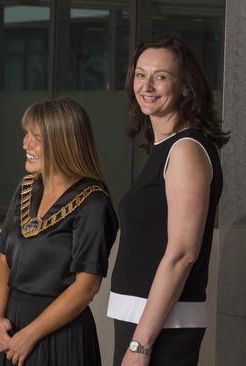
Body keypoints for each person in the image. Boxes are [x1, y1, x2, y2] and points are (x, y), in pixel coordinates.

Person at [107, 35, 229, 366]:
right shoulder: (164, 147)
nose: (146, 85)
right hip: (143, 318)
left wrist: (141, 345)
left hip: (161, 328)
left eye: (161, 76)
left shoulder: (186, 150)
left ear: (186, 87)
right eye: (140, 74)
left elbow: (182, 254)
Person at [0, 97, 118, 366]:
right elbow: (4, 261)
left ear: (63, 142)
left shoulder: (93, 202)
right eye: (27, 134)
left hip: (60, 333)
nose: (26, 143)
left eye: (36, 137)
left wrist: (30, 335)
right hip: (12, 326)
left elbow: (87, 287)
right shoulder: (26, 189)